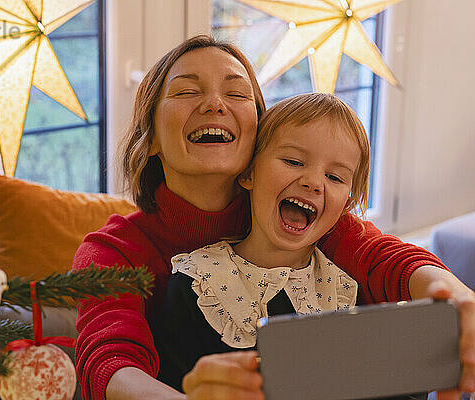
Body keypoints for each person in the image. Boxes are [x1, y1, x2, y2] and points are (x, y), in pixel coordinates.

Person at [72, 35, 475, 400]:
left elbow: (388, 259)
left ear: (257, 133)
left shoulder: (307, 222)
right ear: (152, 136)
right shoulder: (113, 251)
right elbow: (110, 365)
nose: (214, 103)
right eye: (187, 90)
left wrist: (458, 301)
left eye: (236, 93)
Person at [154, 93, 367, 391]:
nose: (314, 182)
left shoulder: (344, 293)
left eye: (334, 177)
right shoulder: (198, 283)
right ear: (249, 172)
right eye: (293, 161)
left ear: (347, 203)